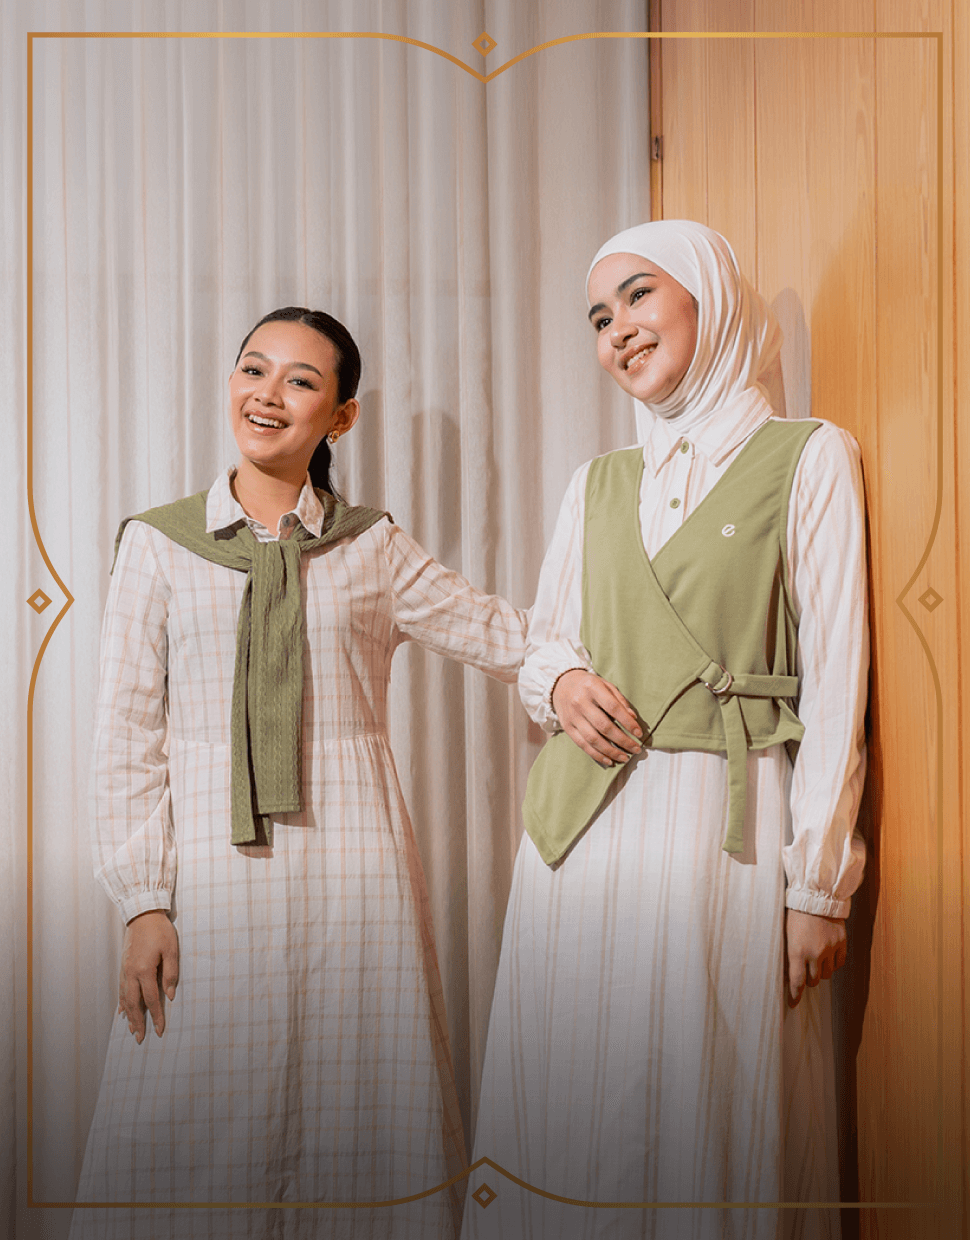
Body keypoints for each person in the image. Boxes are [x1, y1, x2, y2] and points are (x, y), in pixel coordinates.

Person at [70, 307, 528, 1240]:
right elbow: (126, 734)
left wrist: (580, 670)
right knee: (187, 1116)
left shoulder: (371, 546)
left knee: (357, 1112)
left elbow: (500, 634)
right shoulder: (158, 544)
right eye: (253, 369)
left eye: (301, 380)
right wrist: (142, 901)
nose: (268, 394)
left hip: (355, 880)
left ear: (341, 417)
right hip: (208, 878)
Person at [464, 221, 868, 1240]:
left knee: (706, 1089)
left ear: (711, 296)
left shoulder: (808, 456)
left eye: (639, 295)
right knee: (574, 1093)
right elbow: (546, 641)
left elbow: (836, 683)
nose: (617, 330)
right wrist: (559, 682)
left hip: (717, 826)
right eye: (599, 317)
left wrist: (819, 885)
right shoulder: (597, 480)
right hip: (578, 833)